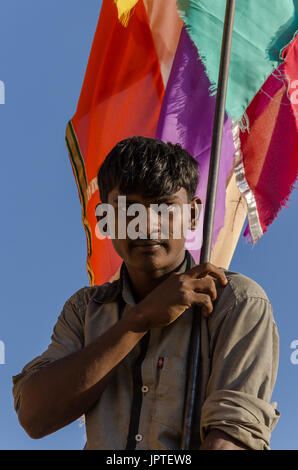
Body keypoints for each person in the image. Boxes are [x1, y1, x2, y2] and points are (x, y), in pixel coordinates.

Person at [12, 137, 280, 450]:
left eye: (165, 208)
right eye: (129, 211)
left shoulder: (236, 302)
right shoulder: (86, 310)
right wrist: (139, 320)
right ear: (105, 219)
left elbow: (232, 439)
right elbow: (34, 415)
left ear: (193, 215)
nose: (147, 227)